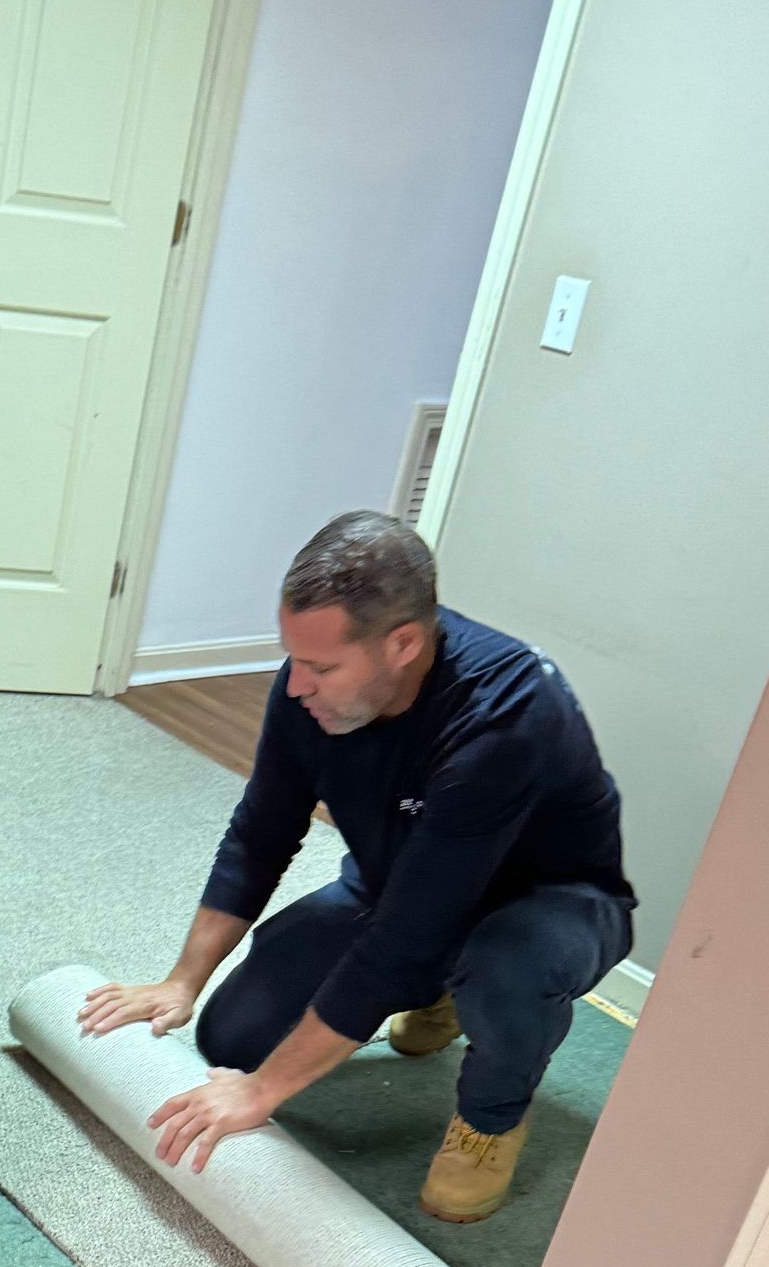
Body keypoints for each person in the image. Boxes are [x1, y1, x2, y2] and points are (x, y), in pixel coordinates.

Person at [82, 512, 635, 1222]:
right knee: (233, 1040)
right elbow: (262, 830)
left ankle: (490, 1120)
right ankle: (443, 990)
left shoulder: (504, 718)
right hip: (400, 882)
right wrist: (182, 980)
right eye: (293, 658)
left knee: (503, 974)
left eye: (320, 667)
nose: (294, 686)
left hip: (550, 903)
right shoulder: (309, 689)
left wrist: (263, 1094)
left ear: (403, 644)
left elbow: (402, 939)